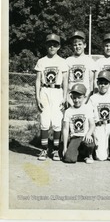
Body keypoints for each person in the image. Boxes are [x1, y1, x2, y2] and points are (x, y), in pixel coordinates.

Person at [35, 33, 68, 161]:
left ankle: (55, 150)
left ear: (59, 46)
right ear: (46, 45)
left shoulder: (62, 62)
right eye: (49, 44)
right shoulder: (41, 61)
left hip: (57, 91)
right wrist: (37, 97)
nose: (52, 47)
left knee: (56, 122)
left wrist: (65, 97)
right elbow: (38, 80)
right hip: (45, 90)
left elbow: (65, 81)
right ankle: (43, 149)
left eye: (55, 44)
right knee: (44, 121)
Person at [88, 70, 110, 161]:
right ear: (97, 83)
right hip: (99, 126)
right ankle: (109, 146)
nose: (103, 85)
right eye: (100, 83)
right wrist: (91, 132)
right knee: (101, 157)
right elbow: (89, 115)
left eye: (105, 83)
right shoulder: (93, 98)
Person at [62, 84, 96, 164]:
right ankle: (79, 154)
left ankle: (89, 155)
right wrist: (65, 148)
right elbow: (66, 129)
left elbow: (92, 125)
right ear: (71, 97)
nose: (77, 100)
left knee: (89, 143)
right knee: (69, 159)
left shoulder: (88, 108)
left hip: (85, 137)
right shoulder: (68, 111)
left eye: (79, 97)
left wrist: (89, 134)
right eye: (74, 98)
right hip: (75, 137)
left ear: (84, 97)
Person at [66, 30, 96, 104]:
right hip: (72, 97)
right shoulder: (68, 60)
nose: (77, 47)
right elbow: (66, 81)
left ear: (85, 45)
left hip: (85, 96)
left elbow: (92, 81)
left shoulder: (89, 61)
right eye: (75, 45)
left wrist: (90, 96)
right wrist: (66, 96)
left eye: (80, 44)